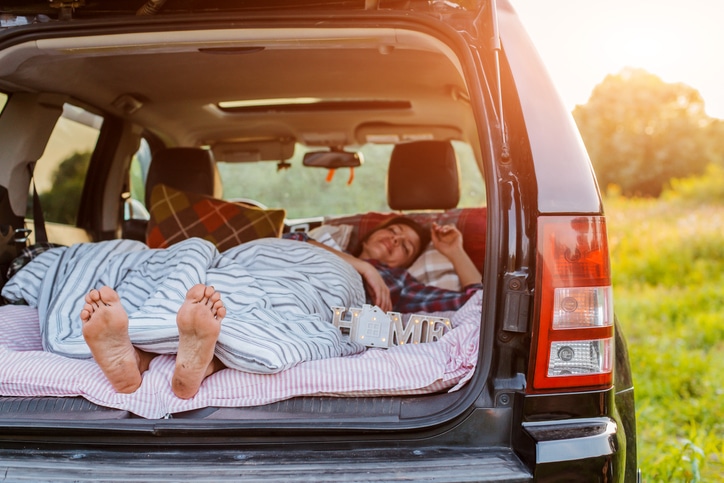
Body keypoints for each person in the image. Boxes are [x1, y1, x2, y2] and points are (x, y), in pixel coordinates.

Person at [285, 216, 483, 313]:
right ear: (368, 237)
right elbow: (289, 241)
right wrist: (364, 267)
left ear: (405, 264)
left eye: (405, 247)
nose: (395, 239)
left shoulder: (398, 281)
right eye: (392, 230)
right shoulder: (330, 248)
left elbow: (476, 304)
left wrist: (455, 251)